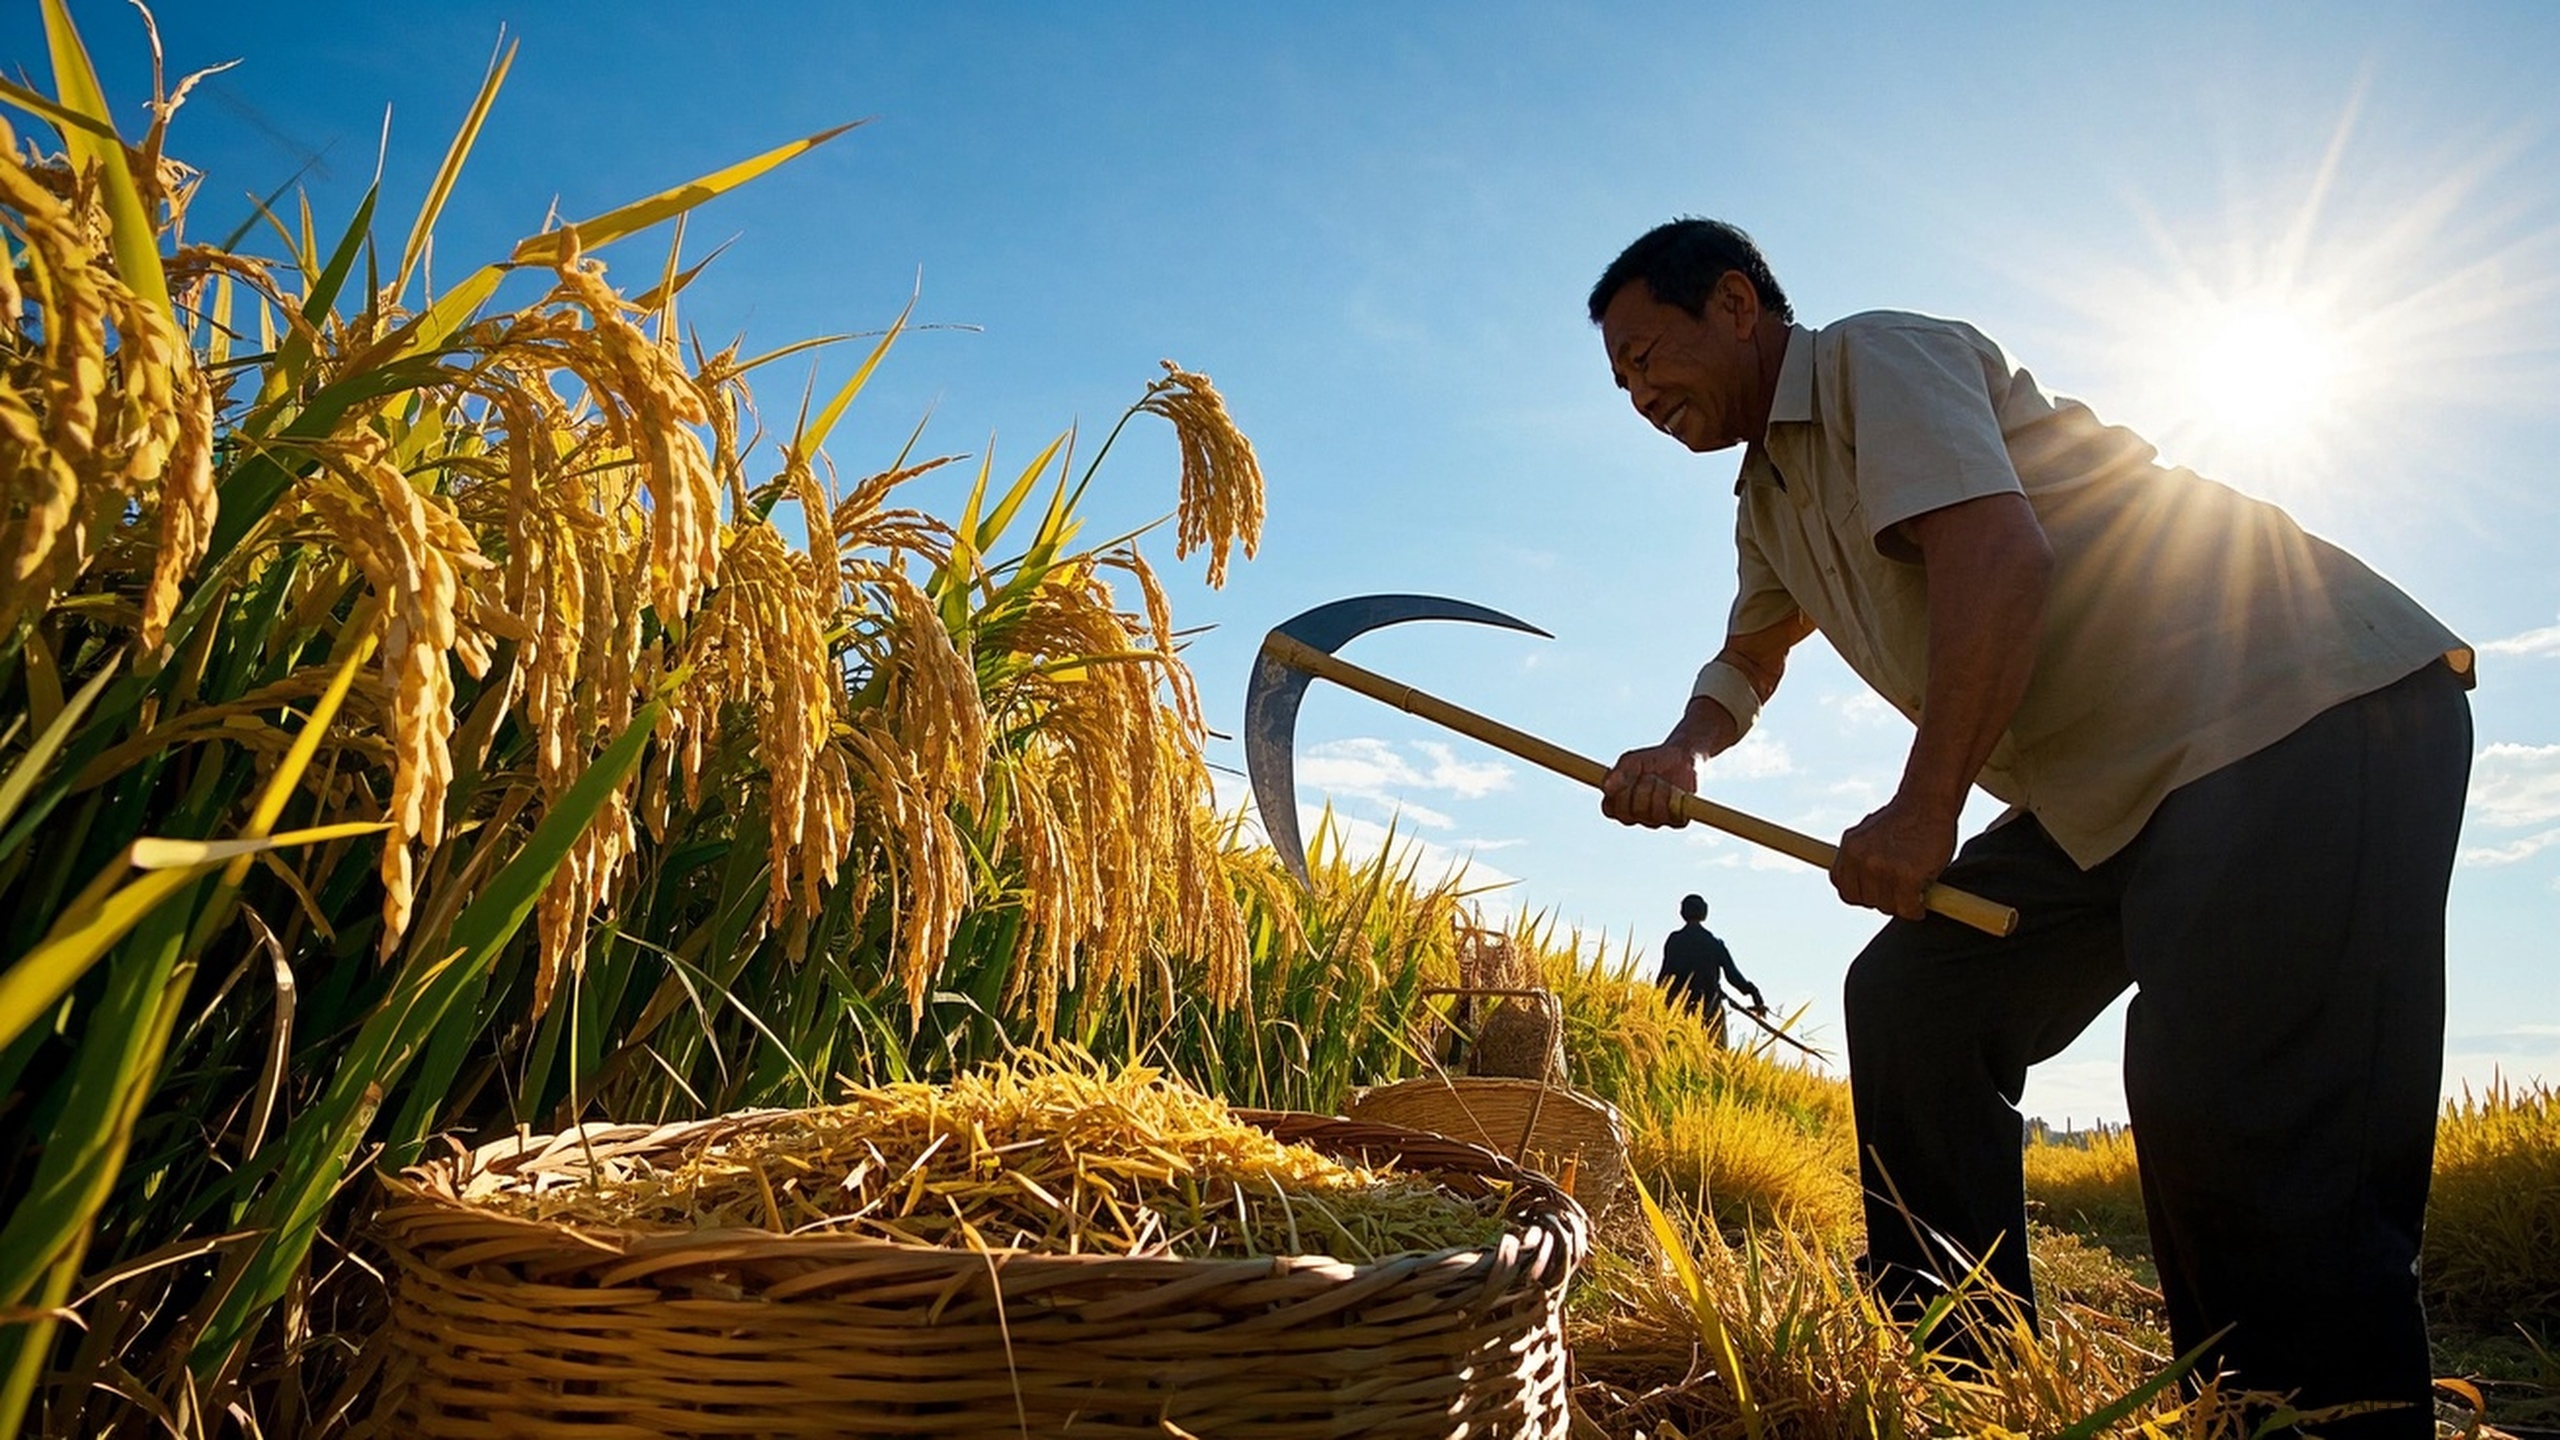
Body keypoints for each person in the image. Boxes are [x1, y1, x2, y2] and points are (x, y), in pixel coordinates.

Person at [1586, 217, 2472, 1436]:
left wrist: (1925, 806)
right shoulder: (1769, 496)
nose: (1638, 393)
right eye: (1620, 378)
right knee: (1919, 997)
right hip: (2114, 783)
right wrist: (1684, 747)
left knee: (2224, 1086)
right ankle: (1964, 1374)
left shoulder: (1869, 364)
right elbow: (1748, 654)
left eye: (1645, 353)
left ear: (1736, 306)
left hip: (2295, 707)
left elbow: (1998, 552)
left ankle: (2312, 1415)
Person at [1658, 893, 1765, 1045]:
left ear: (1682, 912)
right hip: (1710, 1009)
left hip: (1678, 1009)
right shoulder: (1714, 943)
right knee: (1716, 1053)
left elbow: (1664, 977)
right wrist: (1754, 993)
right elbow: (1733, 977)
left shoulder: (1674, 940)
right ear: (1704, 912)